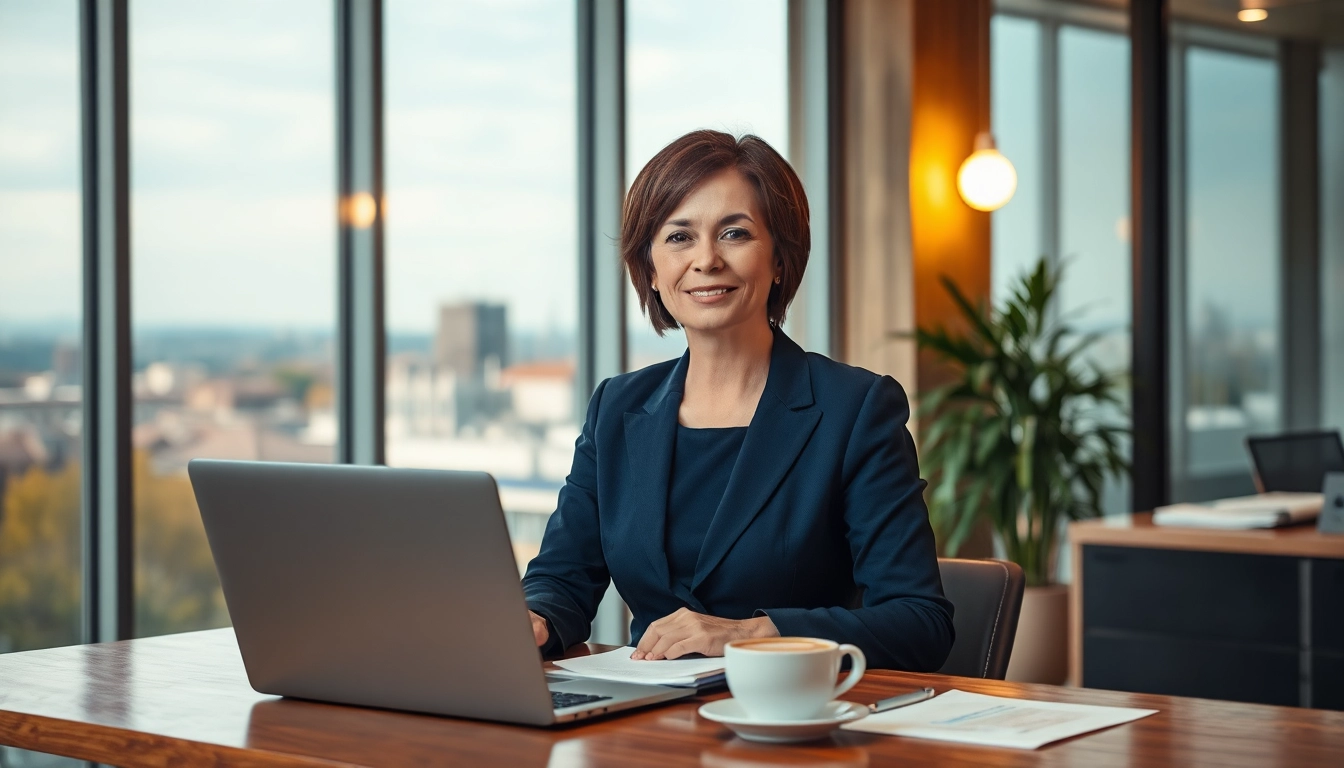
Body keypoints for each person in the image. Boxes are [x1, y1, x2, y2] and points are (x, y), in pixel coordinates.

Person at [522, 130, 953, 671]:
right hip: (645, 723)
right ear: (651, 269)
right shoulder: (617, 407)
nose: (706, 260)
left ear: (779, 259)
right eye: (679, 237)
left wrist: (755, 634)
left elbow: (921, 622)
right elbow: (562, 578)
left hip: (792, 723)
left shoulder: (856, 409)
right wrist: (534, 618)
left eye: (734, 233)